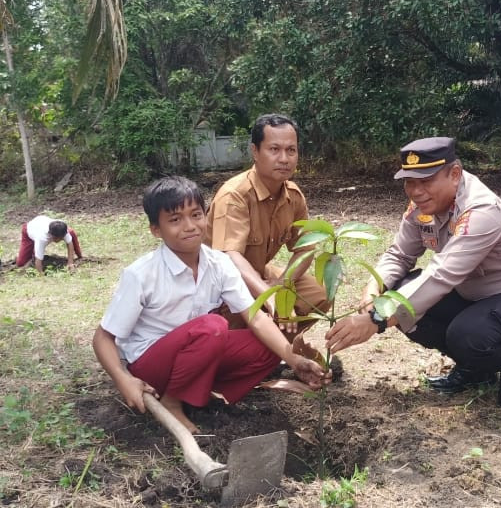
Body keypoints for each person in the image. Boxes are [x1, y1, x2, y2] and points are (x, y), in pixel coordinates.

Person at [325, 137, 501, 408]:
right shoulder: (422, 209)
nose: (415, 191)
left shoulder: (481, 211)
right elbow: (400, 254)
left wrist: (376, 319)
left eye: (425, 181)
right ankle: (476, 369)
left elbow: (440, 275)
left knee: (466, 333)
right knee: (396, 292)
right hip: (476, 296)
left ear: (455, 174)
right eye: (409, 182)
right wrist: (374, 288)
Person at [92, 176, 329, 433]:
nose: (189, 226)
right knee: (213, 326)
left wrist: (294, 361)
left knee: (271, 346)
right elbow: (103, 338)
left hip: (196, 358)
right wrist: (123, 379)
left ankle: (204, 393)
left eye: (196, 215)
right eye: (175, 220)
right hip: (152, 366)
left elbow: (256, 317)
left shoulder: (218, 263)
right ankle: (173, 403)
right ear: (156, 230)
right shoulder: (141, 274)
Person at [206, 114, 329, 337]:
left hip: (260, 275)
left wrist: (281, 286)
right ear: (255, 151)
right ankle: (254, 353)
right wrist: (270, 296)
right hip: (219, 286)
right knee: (227, 324)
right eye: (274, 149)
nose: (284, 158)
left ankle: (274, 352)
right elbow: (228, 257)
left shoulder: (293, 196)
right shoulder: (235, 195)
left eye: (291, 150)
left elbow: (306, 247)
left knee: (317, 294)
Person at [15, 215, 82, 273]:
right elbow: (38, 260)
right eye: (56, 238)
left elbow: (70, 244)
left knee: (71, 233)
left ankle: (80, 256)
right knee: (21, 263)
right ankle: (29, 254)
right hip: (29, 230)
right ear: (50, 234)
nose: (58, 240)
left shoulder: (62, 228)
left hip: (44, 221)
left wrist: (70, 263)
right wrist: (41, 275)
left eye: (61, 238)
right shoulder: (42, 238)